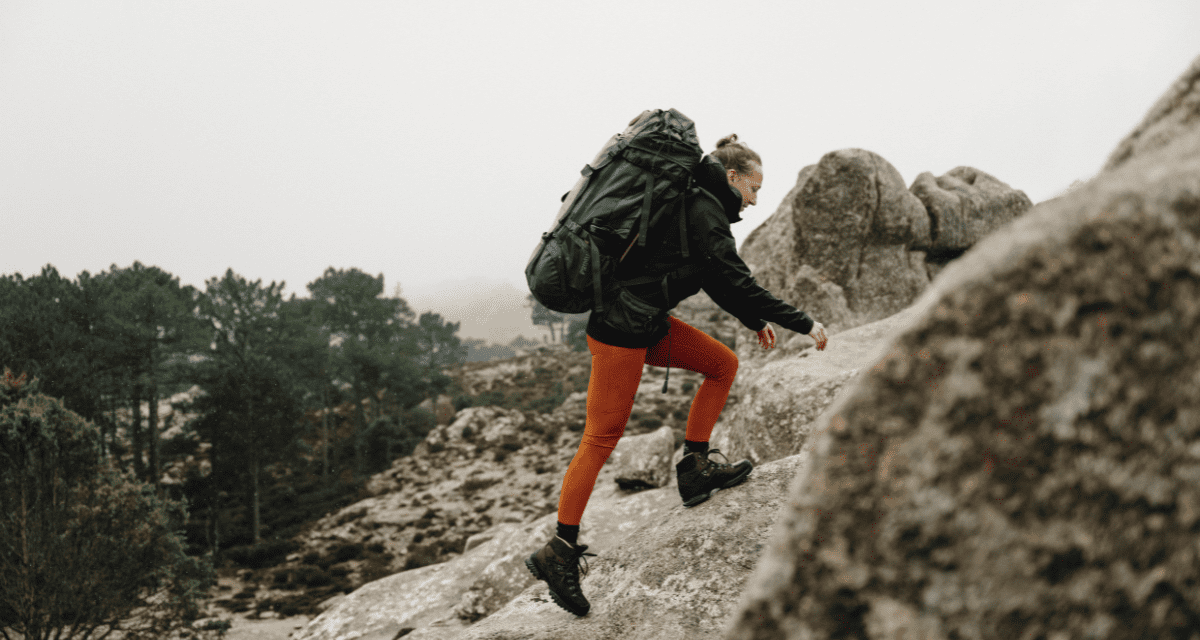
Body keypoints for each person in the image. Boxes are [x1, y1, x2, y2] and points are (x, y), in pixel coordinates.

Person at [525, 133, 829, 617]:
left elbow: (719, 279)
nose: (755, 199)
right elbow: (735, 280)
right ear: (732, 178)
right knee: (601, 439)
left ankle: (694, 468)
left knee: (722, 364)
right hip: (620, 332)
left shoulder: (699, 204)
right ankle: (558, 551)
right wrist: (803, 322)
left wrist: (753, 321)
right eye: (753, 188)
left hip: (643, 321)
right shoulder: (705, 213)